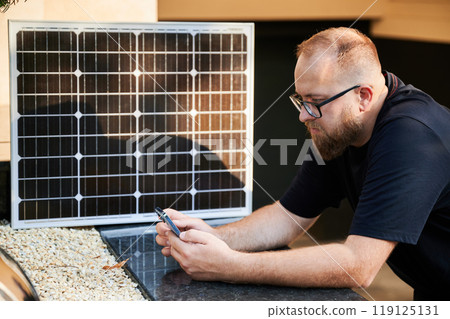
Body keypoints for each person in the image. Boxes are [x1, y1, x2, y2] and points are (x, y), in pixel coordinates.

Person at [156, 27, 450, 301]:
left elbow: (359, 265)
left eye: (315, 101)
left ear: (363, 96)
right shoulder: (338, 130)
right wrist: (214, 237)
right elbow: (287, 217)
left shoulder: (412, 136)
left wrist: (230, 265)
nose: (304, 115)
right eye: (301, 100)